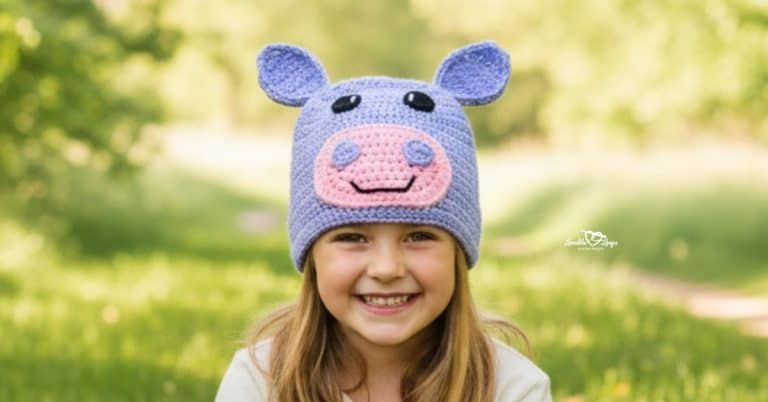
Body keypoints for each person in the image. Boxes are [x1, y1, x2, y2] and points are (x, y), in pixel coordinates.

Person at [214, 40, 552, 402]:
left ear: (458, 249)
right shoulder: (261, 382)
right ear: (312, 252)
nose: (386, 268)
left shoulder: (512, 388)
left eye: (418, 235)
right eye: (353, 237)